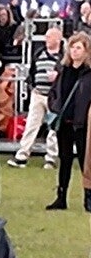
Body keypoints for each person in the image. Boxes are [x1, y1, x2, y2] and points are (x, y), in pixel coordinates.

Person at [45, 32, 91, 211]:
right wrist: (54, 107)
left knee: (85, 161)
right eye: (72, 47)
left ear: (86, 51)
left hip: (82, 124)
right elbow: (54, 92)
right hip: (64, 122)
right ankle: (61, 197)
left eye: (78, 48)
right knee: (64, 159)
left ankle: (88, 197)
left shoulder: (88, 74)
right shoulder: (64, 70)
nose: (74, 51)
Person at [8, 27, 62, 169]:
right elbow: (32, 72)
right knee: (31, 125)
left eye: (50, 36)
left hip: (54, 97)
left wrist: (58, 78)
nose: (46, 39)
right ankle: (22, 155)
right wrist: (32, 86)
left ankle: (51, 158)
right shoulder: (39, 53)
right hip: (37, 94)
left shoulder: (63, 57)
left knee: (53, 129)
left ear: (58, 39)